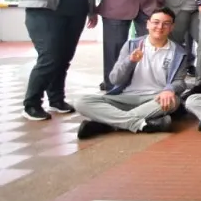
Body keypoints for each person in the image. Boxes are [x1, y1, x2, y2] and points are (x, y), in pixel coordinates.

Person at [74, 8, 185, 138]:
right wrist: (130, 61)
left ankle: (107, 124)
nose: (160, 27)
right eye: (156, 22)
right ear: (148, 24)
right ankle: (142, 124)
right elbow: (114, 79)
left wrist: (169, 89)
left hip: (156, 99)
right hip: (126, 97)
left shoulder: (179, 52)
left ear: (172, 27)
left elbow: (179, 82)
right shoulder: (132, 45)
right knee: (81, 102)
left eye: (166, 24)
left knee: (173, 101)